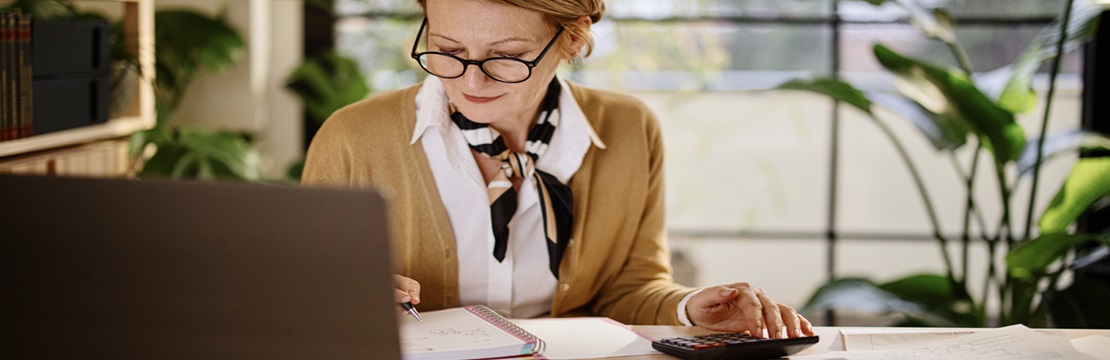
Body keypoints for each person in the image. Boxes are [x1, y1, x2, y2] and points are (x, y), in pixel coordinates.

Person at [302, 0, 814, 339]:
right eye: (449, 50)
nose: (472, 80)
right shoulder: (353, 138)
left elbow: (631, 287)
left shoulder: (629, 129)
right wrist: (347, 301)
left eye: (507, 56)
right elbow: (304, 298)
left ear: (572, 39)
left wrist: (690, 308)